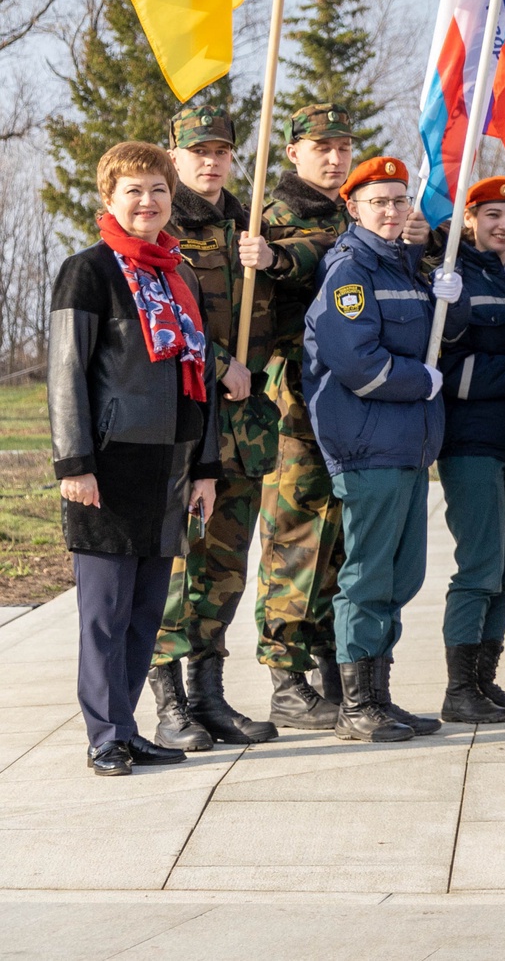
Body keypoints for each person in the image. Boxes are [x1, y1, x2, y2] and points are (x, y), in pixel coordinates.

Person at [50, 143, 222, 775]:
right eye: (134, 190)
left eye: (158, 189)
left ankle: (125, 726)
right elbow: (66, 373)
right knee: (104, 612)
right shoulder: (88, 271)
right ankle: (103, 736)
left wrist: (205, 468)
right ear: (109, 199)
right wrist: (74, 464)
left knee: (147, 609)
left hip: (170, 466)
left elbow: (195, 375)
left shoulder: (179, 277)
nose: (147, 201)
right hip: (108, 464)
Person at [306, 155, 459, 744]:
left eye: (399, 201)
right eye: (379, 202)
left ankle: (381, 696)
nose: (392, 211)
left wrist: (453, 297)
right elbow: (354, 361)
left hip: (409, 446)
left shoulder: (408, 268)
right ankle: (356, 703)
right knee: (368, 577)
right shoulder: (350, 271)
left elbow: (440, 337)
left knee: (402, 576)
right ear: (354, 208)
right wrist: (421, 382)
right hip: (369, 443)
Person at [147, 104, 282, 751]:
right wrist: (218, 360)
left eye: (222, 150)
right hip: (184, 423)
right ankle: (168, 701)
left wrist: (275, 258)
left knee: (225, 569)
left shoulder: (248, 223)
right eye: (198, 150)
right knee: (176, 564)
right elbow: (159, 322)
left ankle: (208, 696)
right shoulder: (162, 230)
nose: (211, 160)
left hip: (243, 431)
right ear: (174, 157)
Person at [248, 102, 356, 728]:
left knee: (340, 537)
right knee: (293, 534)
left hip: (349, 402)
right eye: (322, 147)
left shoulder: (359, 211)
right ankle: (286, 680)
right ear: (293, 152)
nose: (335, 158)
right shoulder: (270, 220)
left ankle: (333, 669)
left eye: (343, 147)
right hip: (292, 402)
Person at [433, 175, 505, 725]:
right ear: (470, 219)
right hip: (471, 439)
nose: (504, 226)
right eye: (492, 215)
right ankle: (458, 690)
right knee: (480, 565)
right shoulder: (453, 275)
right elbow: (447, 370)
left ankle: (484, 680)